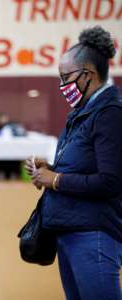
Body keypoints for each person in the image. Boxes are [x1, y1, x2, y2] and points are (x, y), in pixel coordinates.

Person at [25, 26, 122, 300]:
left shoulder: (110, 114)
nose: (61, 85)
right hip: (70, 232)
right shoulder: (82, 112)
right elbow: (83, 166)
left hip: (94, 234)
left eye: (65, 77)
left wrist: (55, 180)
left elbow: (110, 181)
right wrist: (51, 169)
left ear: (87, 74)